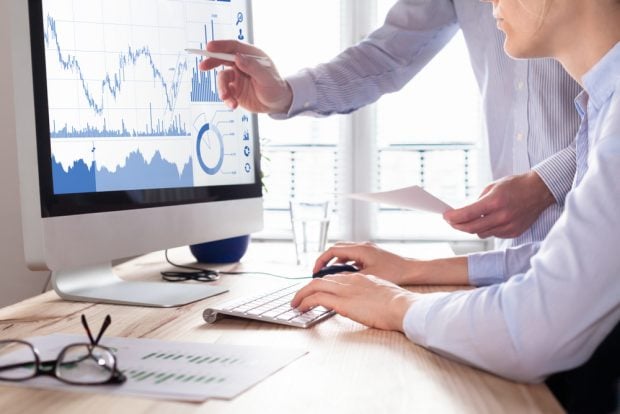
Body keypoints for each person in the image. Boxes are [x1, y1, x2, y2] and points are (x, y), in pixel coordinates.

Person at [290, 0, 620, 398]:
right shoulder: (601, 106)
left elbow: (535, 328)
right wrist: (412, 270)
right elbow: (562, 262)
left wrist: (397, 306)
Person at [200, 0, 582, 251]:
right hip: (516, 253)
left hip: (598, 234)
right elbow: (387, 56)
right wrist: (284, 93)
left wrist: (548, 182)